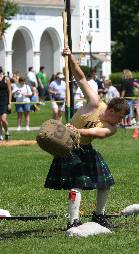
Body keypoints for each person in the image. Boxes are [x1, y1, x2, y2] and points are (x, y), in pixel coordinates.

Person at [45, 46, 130, 230]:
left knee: (106, 182)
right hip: (69, 146)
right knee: (77, 184)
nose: (121, 121)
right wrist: (70, 58)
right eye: (120, 117)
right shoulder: (95, 103)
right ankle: (73, 221)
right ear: (112, 110)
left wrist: (75, 130)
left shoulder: (111, 128)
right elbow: (81, 78)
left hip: (83, 144)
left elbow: (94, 133)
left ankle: (99, 215)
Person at [0, 66, 11, 141]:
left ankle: (7, 132)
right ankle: (0, 136)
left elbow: (10, 92)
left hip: (4, 100)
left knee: (3, 119)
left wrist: (9, 103)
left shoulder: (6, 79)